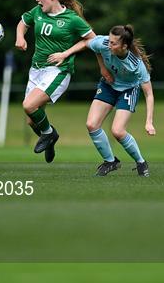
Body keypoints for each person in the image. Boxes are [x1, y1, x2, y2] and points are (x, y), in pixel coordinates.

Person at [48, 24, 156, 176]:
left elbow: (149, 94)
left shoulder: (136, 64)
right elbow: (86, 43)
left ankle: (141, 162)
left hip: (128, 89)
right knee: (92, 125)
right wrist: (65, 54)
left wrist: (149, 121)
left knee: (117, 131)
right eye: (109, 40)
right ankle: (110, 161)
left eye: (113, 43)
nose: (108, 44)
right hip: (108, 85)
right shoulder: (104, 43)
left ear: (124, 46)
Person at [15, 0, 96, 163]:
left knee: (28, 105)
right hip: (36, 70)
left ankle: (48, 134)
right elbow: (22, 22)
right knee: (30, 120)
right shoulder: (37, 12)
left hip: (57, 71)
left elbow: (92, 39)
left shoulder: (72, 19)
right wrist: (20, 37)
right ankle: (50, 138)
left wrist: (65, 53)